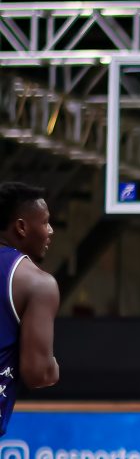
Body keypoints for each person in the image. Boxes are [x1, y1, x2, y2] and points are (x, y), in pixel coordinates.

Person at [0, 182, 59, 438]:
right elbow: (40, 374)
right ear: (22, 227)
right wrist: (52, 365)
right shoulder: (35, 282)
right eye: (45, 222)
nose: (50, 231)